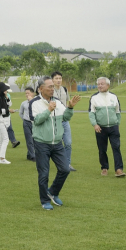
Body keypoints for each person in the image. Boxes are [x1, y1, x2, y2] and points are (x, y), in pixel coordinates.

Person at [29, 76, 81, 210]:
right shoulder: (34, 103)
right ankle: (45, 201)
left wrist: (70, 107)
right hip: (42, 143)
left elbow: (66, 117)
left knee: (65, 169)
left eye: (53, 86)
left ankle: (52, 192)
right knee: (44, 173)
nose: (53, 89)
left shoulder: (57, 101)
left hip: (57, 143)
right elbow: (36, 120)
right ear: (41, 89)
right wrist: (48, 110)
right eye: (50, 87)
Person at [88, 77, 125, 177]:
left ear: (108, 85)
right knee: (102, 149)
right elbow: (91, 113)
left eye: (102, 84)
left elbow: (118, 112)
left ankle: (119, 169)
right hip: (100, 128)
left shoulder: (113, 96)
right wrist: (95, 124)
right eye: (98, 84)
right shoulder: (94, 97)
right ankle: (104, 168)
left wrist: (117, 123)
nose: (100, 85)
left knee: (116, 147)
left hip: (113, 127)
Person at [0, 82, 13, 164]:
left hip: (4, 120)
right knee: (6, 139)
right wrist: (9, 111)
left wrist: (7, 97)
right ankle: (2, 158)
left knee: (1, 139)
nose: (6, 90)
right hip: (1, 120)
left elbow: (9, 104)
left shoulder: (3, 97)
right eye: (4, 89)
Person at [18, 87, 36, 162]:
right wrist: (25, 119)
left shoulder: (36, 102)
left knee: (35, 139)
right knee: (29, 140)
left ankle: (29, 154)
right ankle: (33, 156)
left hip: (35, 123)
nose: (27, 95)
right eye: (26, 93)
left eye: (28, 93)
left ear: (32, 93)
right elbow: (20, 113)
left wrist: (31, 101)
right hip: (26, 123)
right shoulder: (23, 103)